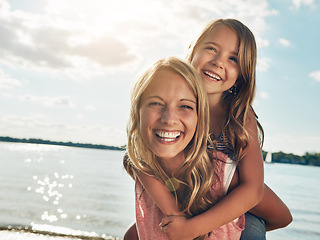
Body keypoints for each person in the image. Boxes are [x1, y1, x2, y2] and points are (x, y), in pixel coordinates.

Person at [124, 19, 292, 240]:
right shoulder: (171, 98)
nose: (218, 62)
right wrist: (177, 217)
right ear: (192, 52)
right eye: (211, 49)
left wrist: (199, 227)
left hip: (229, 189)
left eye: (233, 59)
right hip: (186, 187)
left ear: (242, 75)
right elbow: (140, 154)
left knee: (264, 222)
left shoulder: (239, 114)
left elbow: (252, 191)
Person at [124, 56, 219, 239]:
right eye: (156, 103)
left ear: (200, 117)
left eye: (185, 106)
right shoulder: (141, 165)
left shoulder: (222, 175)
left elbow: (281, 217)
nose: (169, 118)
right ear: (137, 112)